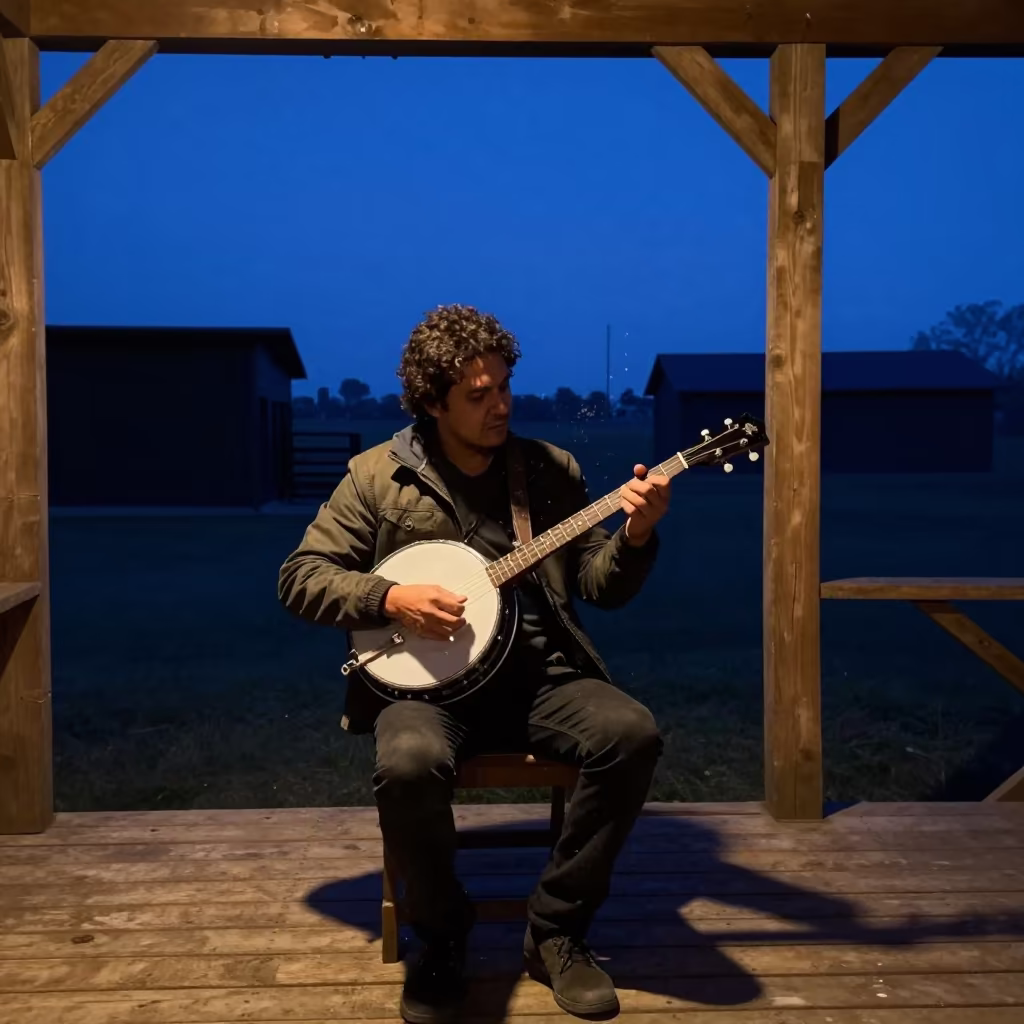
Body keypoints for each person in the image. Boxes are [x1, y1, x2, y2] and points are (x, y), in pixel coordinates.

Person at [278, 304, 670, 1023]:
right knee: (406, 765)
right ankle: (443, 937)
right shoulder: (376, 478)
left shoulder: (550, 472)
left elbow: (598, 585)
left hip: (539, 678)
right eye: (478, 395)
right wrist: (391, 596)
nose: (500, 406)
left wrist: (637, 535)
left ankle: (556, 932)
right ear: (433, 401)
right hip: (427, 690)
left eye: (504, 388)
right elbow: (300, 576)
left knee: (631, 733)